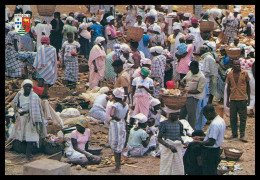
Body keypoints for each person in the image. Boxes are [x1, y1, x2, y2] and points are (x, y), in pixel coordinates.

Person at [8, 79, 47, 162]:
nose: (28, 88)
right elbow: (16, 104)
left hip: (31, 119)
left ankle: (28, 156)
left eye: (30, 86)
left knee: (31, 137)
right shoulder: (19, 95)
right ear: (23, 87)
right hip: (21, 119)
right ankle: (25, 152)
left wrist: (26, 111)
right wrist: (19, 110)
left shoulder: (34, 97)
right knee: (22, 136)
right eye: (27, 86)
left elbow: (36, 109)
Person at [185, 104, 225, 175]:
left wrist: (197, 142)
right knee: (212, 170)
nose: (205, 117)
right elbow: (213, 137)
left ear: (209, 113)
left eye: (205, 115)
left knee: (208, 171)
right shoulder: (220, 120)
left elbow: (211, 142)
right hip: (215, 150)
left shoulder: (215, 124)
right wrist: (201, 138)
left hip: (210, 152)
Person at [226, 60, 250, 142]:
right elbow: (228, 88)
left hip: (242, 98)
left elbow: (248, 86)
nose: (237, 66)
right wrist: (227, 100)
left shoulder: (245, 73)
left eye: (238, 64)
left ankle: (242, 135)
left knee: (243, 118)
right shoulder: (229, 74)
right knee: (233, 117)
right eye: (235, 64)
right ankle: (234, 133)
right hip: (233, 99)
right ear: (232, 65)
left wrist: (249, 98)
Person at [180, 61, 207, 129]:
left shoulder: (201, 77)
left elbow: (198, 90)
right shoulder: (190, 72)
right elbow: (184, 79)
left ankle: (191, 130)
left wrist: (188, 91)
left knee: (191, 115)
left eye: (192, 69)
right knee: (182, 113)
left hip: (193, 97)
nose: (191, 70)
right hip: (186, 96)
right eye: (190, 69)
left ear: (196, 68)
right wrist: (182, 82)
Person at [158, 107, 185, 175]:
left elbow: (180, 136)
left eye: (178, 114)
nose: (177, 116)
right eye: (175, 114)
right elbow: (159, 138)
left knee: (178, 167)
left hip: (177, 148)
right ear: (170, 115)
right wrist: (169, 146)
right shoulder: (164, 124)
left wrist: (182, 142)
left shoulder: (179, 124)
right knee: (166, 167)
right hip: (168, 148)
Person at [108, 87, 129, 173]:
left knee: (115, 143)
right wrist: (121, 119)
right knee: (120, 145)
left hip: (116, 125)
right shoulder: (126, 105)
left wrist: (116, 118)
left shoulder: (115, 105)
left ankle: (117, 167)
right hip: (122, 124)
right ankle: (118, 166)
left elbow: (112, 114)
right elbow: (126, 117)